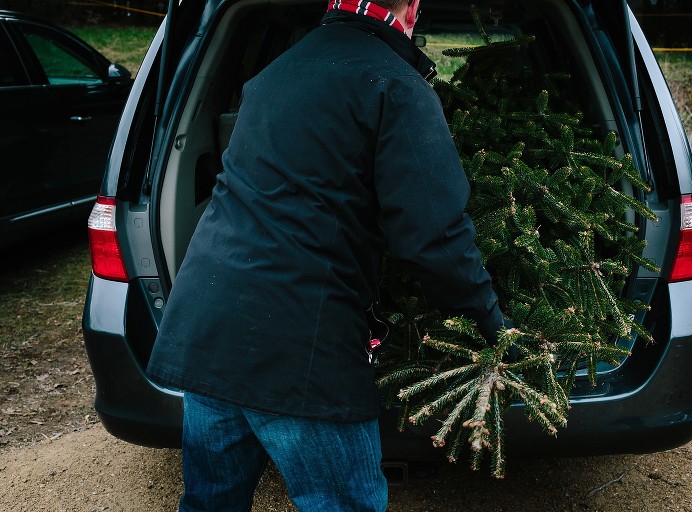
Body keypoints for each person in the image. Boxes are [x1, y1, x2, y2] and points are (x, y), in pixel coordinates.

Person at [147, 0, 507, 510]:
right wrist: (494, 327)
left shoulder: (274, 74)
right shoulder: (396, 86)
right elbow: (434, 238)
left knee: (211, 502)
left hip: (206, 325)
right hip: (299, 348)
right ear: (411, 9)